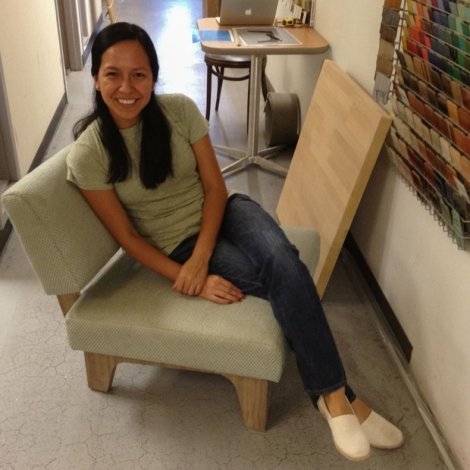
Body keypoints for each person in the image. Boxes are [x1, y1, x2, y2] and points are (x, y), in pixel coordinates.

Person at [66, 21, 403, 461]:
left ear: (153, 77)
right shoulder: (89, 153)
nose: (126, 87)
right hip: (177, 244)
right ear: (95, 78)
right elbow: (127, 237)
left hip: (227, 212)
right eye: (113, 74)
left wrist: (202, 258)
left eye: (139, 74)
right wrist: (190, 275)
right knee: (285, 278)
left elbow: (215, 189)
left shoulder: (180, 112)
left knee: (283, 258)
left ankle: (331, 396)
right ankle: (343, 399)